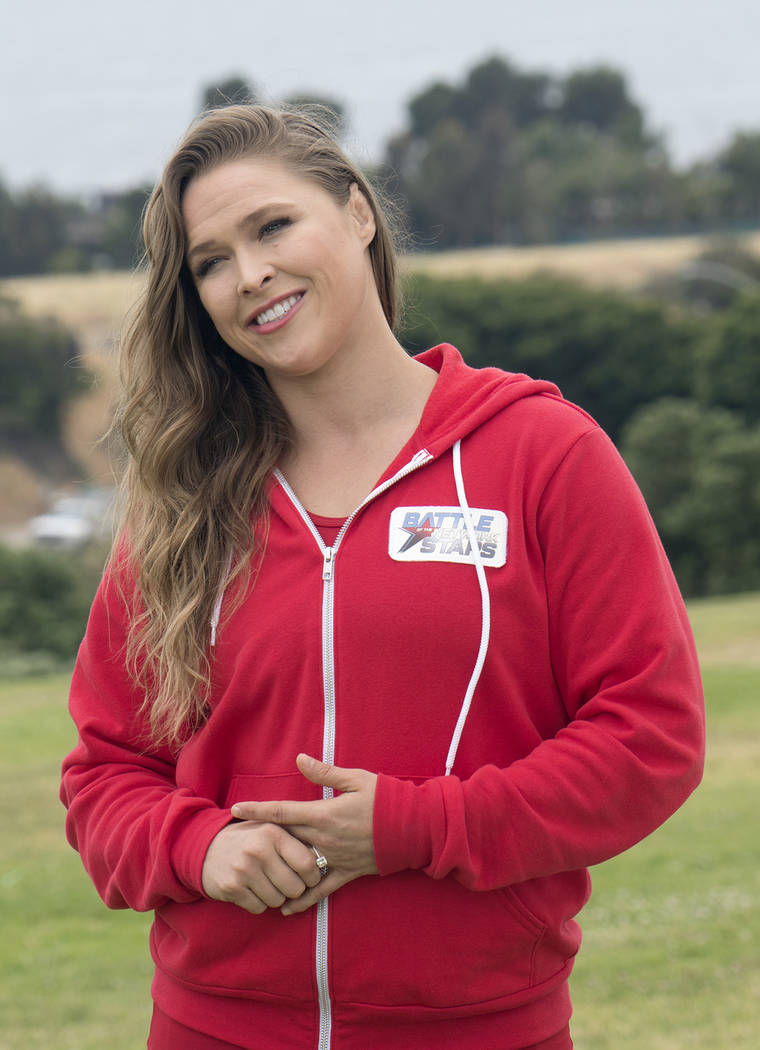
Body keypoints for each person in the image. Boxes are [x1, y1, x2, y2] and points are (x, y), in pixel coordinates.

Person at [60, 103, 705, 1050]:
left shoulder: (542, 454)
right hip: (213, 1029)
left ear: (357, 213)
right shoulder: (184, 500)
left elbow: (649, 735)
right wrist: (203, 847)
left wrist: (419, 826)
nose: (251, 275)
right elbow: (105, 773)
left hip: (485, 1028)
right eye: (210, 262)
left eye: (273, 225)